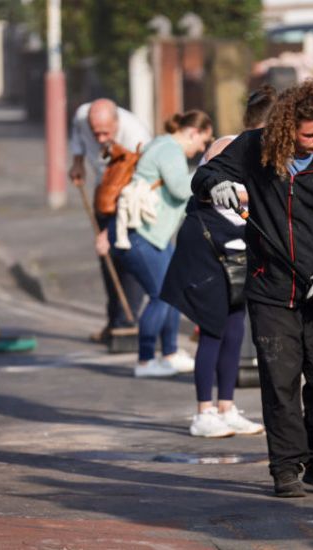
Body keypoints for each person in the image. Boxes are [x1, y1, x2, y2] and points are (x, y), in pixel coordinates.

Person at [193, 80, 313, 497]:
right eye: (309, 134)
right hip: (269, 288)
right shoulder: (255, 150)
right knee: (281, 381)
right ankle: (286, 468)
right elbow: (206, 174)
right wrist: (215, 185)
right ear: (287, 128)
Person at [162, 86, 277, 438]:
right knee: (212, 330)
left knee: (234, 330)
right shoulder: (227, 146)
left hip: (238, 251)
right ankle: (203, 413)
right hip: (207, 249)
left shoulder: (266, 154)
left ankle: (226, 407)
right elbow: (211, 185)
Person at [107, 110, 213, 377]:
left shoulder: (165, 145)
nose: (201, 149)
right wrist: (207, 171)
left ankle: (169, 353)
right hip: (141, 236)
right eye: (203, 143)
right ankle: (145, 361)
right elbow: (180, 187)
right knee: (160, 296)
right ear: (193, 132)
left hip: (154, 236)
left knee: (172, 293)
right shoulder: (169, 149)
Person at [69, 99, 152, 344]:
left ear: (117, 123)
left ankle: (128, 322)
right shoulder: (82, 114)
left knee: (128, 257)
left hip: (131, 199)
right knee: (107, 262)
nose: (102, 138)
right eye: (96, 133)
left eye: (106, 132)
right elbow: (77, 138)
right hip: (101, 193)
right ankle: (113, 320)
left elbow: (139, 184)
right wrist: (77, 164)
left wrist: (113, 231)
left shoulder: (136, 134)